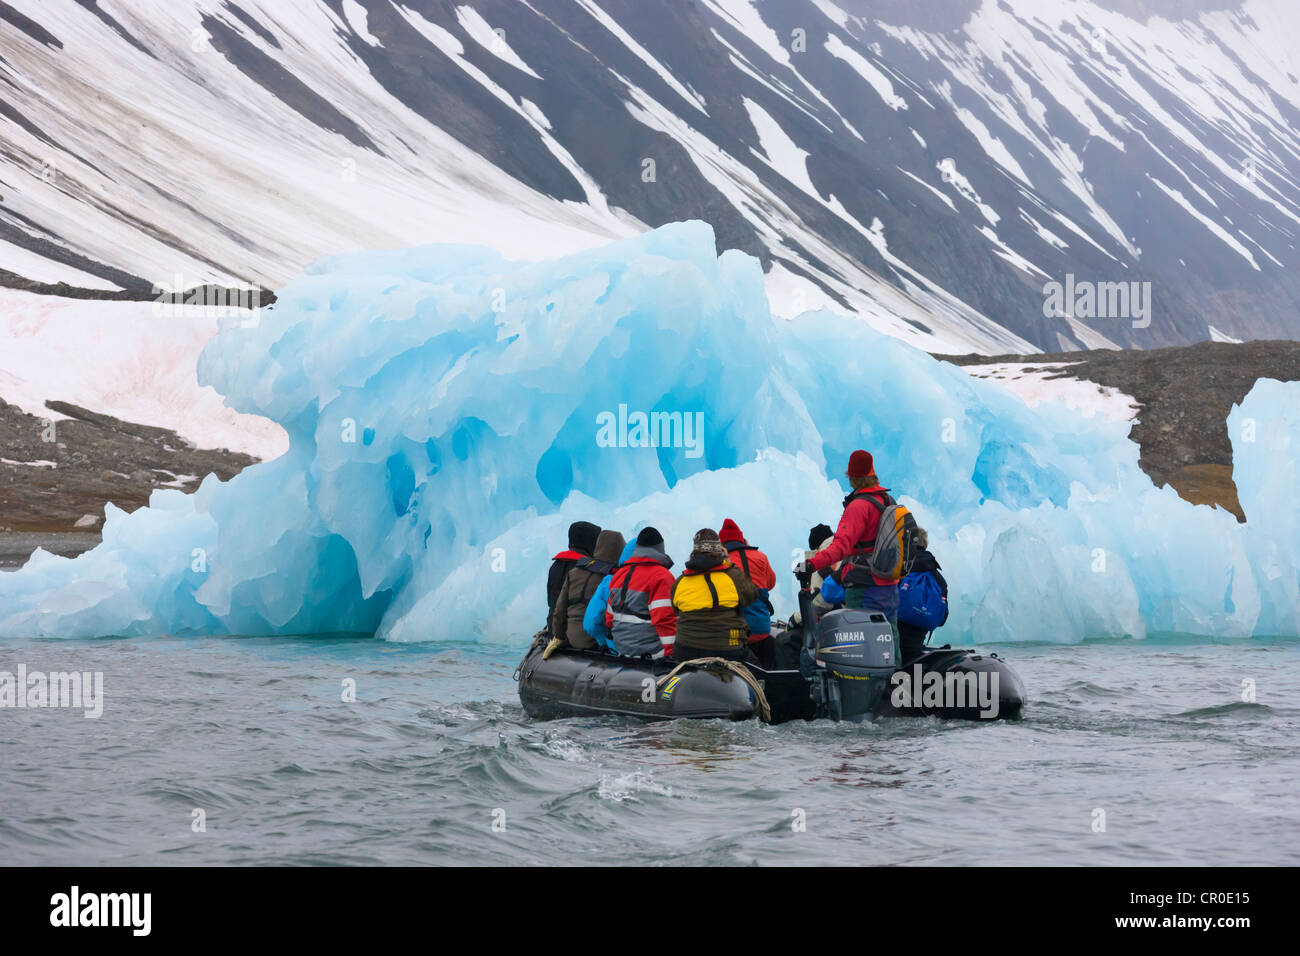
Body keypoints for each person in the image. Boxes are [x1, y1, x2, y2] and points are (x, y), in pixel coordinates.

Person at [800, 450, 901, 635]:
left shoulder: (859, 506)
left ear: (851, 476)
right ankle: (895, 665)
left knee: (862, 638)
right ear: (872, 472)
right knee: (889, 639)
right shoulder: (888, 501)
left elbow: (840, 547)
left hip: (864, 584)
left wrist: (810, 564)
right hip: (890, 585)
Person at [671, 528, 759, 662]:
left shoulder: (680, 582)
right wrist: (728, 561)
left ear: (694, 551)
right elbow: (751, 595)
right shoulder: (732, 575)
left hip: (685, 649)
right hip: (727, 649)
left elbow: (676, 610)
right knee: (757, 670)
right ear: (719, 549)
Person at [548, 529, 626, 653]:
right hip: (595, 642)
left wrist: (558, 638)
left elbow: (559, 611)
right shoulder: (614, 579)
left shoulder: (574, 572)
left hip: (572, 638)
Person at [605, 527, 677, 658]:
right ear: (660, 549)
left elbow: (610, 619)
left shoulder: (619, 575)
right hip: (652, 652)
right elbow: (664, 619)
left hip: (622, 649)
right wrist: (672, 654)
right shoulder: (661, 576)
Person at [717, 519, 777, 668]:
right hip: (762, 629)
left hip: (736, 635)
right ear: (741, 539)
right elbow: (770, 583)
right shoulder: (761, 557)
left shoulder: (720, 563)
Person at [897, 527, 949, 663]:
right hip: (918, 642)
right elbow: (942, 618)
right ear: (925, 545)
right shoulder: (939, 578)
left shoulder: (899, 568)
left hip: (892, 641)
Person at [584, 537, 637, 653]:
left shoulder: (610, 582)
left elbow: (590, 622)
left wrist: (603, 643)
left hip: (617, 650)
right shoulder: (662, 581)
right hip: (654, 654)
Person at [546, 521, 600, 633]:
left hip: (553, 627)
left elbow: (550, 601)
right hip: (578, 634)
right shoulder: (591, 569)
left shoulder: (555, 566)